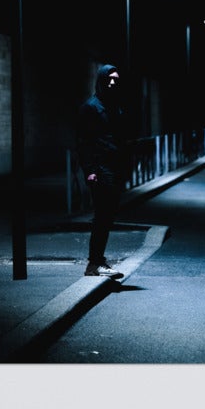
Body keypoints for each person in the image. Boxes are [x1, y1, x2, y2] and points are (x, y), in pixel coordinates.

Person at [74, 64, 133, 275]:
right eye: (109, 79)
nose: (113, 82)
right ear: (100, 80)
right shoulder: (91, 107)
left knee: (107, 216)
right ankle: (94, 262)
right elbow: (83, 142)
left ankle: (97, 261)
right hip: (100, 169)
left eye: (116, 79)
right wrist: (89, 170)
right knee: (102, 216)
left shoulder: (114, 106)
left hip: (114, 168)